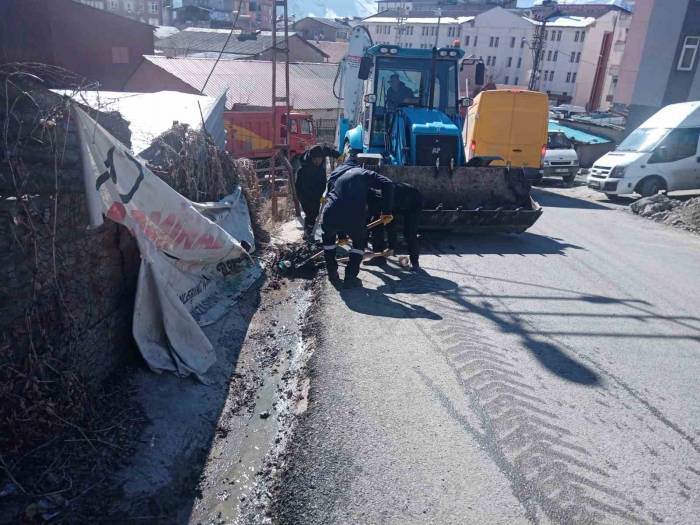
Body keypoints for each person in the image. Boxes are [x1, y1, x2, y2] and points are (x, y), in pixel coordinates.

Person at [321, 156, 394, 287]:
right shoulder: (362, 172)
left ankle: (332, 273)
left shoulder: (336, 174)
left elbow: (335, 198)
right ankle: (350, 277)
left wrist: (341, 235)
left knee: (328, 242)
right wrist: (386, 211)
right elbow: (387, 183)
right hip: (352, 215)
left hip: (330, 214)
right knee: (359, 241)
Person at [369, 182, 423, 271]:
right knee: (378, 226)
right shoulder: (371, 196)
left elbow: (389, 224)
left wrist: (391, 247)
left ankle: (415, 263)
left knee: (409, 232)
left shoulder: (379, 199)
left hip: (413, 202)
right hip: (396, 201)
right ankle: (378, 258)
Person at [294, 144, 341, 240]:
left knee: (314, 213)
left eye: (320, 159)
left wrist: (341, 157)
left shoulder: (322, 151)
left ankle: (309, 230)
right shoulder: (304, 170)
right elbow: (301, 187)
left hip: (317, 193)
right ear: (311, 158)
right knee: (310, 213)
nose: (318, 161)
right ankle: (308, 233)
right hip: (305, 195)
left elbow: (322, 183)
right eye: (315, 159)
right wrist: (311, 198)